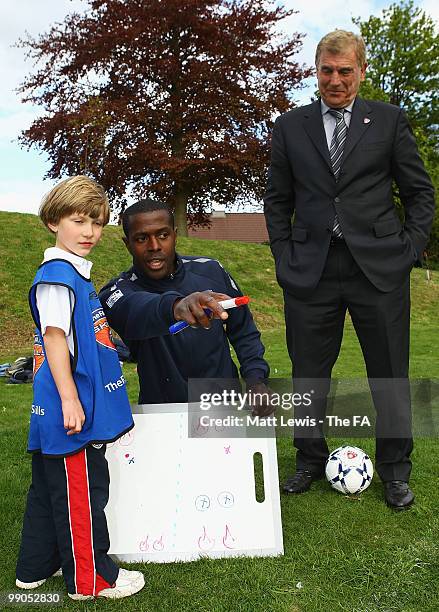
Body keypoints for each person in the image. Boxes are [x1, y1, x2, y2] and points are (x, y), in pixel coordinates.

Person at [263, 30, 435, 509]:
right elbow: (277, 200)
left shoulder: (389, 121)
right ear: (315, 69)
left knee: (389, 374)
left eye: (344, 71)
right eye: (326, 70)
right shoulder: (291, 126)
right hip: (309, 269)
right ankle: (308, 461)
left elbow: (419, 193)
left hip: (378, 268)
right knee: (308, 375)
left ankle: (395, 471)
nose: (335, 80)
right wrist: (283, 253)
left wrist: (409, 248)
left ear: (362, 71)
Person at [16, 176, 145, 600]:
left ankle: (34, 570)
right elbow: (54, 338)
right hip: (70, 409)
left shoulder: (72, 273)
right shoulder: (58, 276)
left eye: (97, 222)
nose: (90, 232)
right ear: (54, 221)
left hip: (62, 406)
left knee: (48, 490)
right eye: (79, 220)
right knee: (82, 493)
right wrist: (71, 401)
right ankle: (91, 580)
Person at [99, 198, 271, 414]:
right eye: (142, 238)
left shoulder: (212, 270)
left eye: (163, 235)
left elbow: (243, 331)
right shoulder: (116, 291)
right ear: (127, 243)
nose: (154, 246)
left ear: (175, 234)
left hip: (224, 406)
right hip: (162, 415)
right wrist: (178, 306)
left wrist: (256, 380)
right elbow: (136, 309)